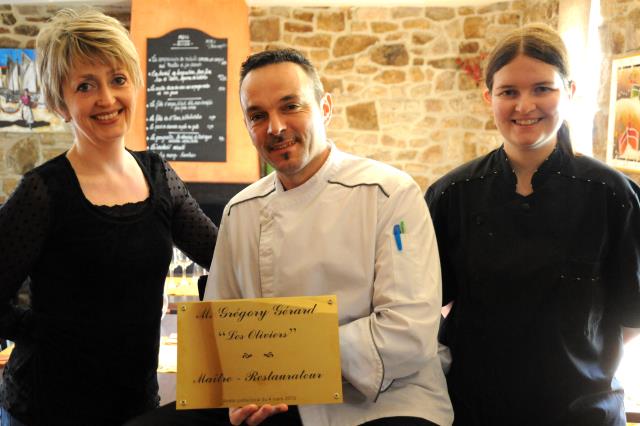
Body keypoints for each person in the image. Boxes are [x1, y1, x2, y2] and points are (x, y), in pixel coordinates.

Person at [126, 48, 453, 426]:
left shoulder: (389, 193)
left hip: (387, 400)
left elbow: (408, 331)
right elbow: (221, 329)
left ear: (325, 107)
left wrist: (280, 366)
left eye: (291, 106)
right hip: (270, 400)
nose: (276, 127)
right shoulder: (240, 210)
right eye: (258, 115)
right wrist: (241, 387)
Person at [0, 8, 217, 426]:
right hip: (48, 408)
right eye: (85, 85)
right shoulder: (42, 191)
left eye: (117, 79)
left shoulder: (159, 176)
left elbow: (223, 254)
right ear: (60, 103)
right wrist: (47, 332)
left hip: (135, 402)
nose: (106, 98)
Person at [426, 23, 640, 426]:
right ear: (489, 97)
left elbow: (631, 319)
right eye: (509, 92)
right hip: (476, 410)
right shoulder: (451, 195)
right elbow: (430, 304)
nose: (525, 105)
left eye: (543, 88)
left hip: (583, 411)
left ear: (570, 92)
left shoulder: (613, 196)